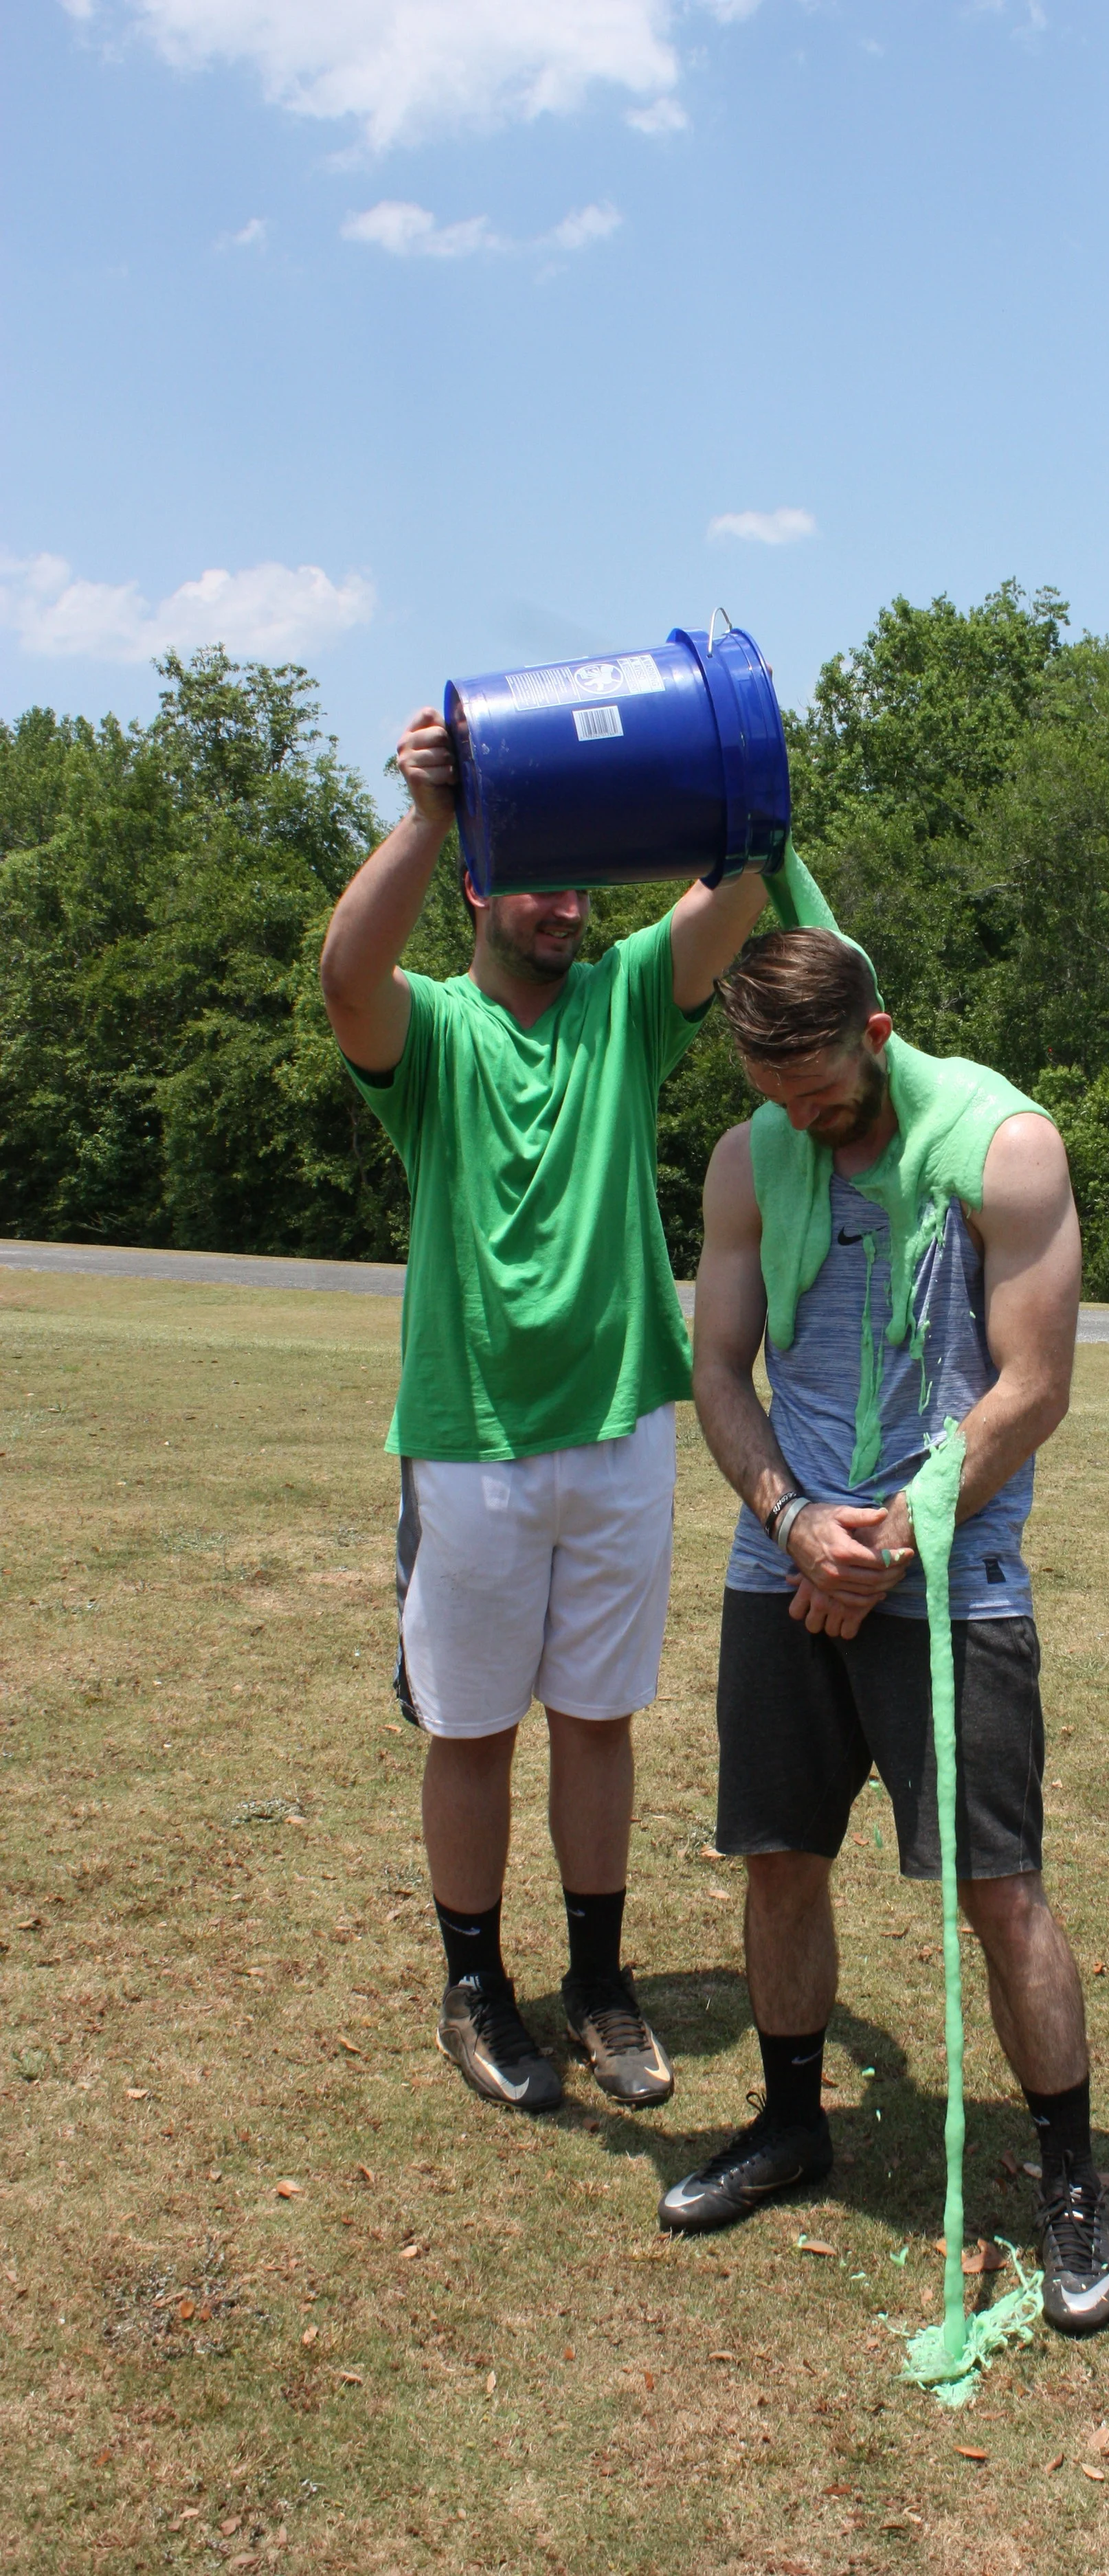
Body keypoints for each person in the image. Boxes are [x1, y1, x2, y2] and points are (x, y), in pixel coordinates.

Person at [658, 921, 1109, 2336]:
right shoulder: (752, 1160)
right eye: (771, 1094)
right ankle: (791, 2121)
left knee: (998, 1887)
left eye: (818, 1092)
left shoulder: (1006, 1147)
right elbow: (720, 1371)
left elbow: (1030, 1386)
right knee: (780, 1861)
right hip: (785, 1563)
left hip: (951, 1575)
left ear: (874, 1035)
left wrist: (893, 1541)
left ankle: (1065, 2182)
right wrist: (789, 1514)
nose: (798, 1120)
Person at [319, 704, 770, 2121]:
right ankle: (475, 1984)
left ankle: (596, 1982)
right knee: (470, 1729)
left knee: (594, 1718)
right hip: (469, 1439)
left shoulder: (628, 1003)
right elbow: (347, 972)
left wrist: (723, 762)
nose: (570, 904)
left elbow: (739, 888)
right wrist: (433, 810)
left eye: (585, 881)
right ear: (481, 886)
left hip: (624, 1427)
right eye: (544, 878)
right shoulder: (436, 1034)